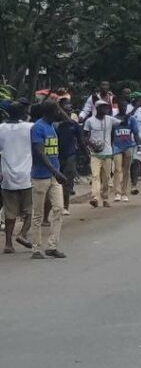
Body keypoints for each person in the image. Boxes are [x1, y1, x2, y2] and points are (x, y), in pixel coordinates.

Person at [29, 101, 69, 258]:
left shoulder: (52, 126)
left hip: (54, 175)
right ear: (49, 113)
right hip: (40, 176)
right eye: (57, 111)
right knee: (38, 214)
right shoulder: (38, 128)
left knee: (58, 209)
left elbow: (68, 121)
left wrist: (56, 172)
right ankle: (36, 248)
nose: (59, 113)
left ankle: (52, 245)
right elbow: (39, 152)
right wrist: (55, 171)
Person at [0, 101, 36, 254]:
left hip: (7, 175)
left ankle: (8, 244)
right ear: (22, 113)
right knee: (29, 210)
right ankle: (22, 234)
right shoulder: (29, 127)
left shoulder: (1, 128)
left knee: (9, 212)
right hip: (27, 174)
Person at [83, 99, 116, 207]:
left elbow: (123, 121)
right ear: (97, 109)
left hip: (107, 153)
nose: (105, 109)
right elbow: (85, 136)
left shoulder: (110, 119)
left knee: (106, 177)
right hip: (95, 153)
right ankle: (95, 197)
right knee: (95, 176)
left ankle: (105, 198)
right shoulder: (90, 121)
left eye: (106, 107)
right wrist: (92, 145)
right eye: (103, 107)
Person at [110, 102, 141, 203]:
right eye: (121, 106)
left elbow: (136, 132)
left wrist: (138, 144)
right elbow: (111, 133)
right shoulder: (114, 119)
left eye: (124, 106)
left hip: (128, 146)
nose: (123, 108)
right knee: (117, 169)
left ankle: (124, 193)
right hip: (116, 146)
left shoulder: (131, 119)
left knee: (126, 170)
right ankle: (117, 193)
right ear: (118, 107)